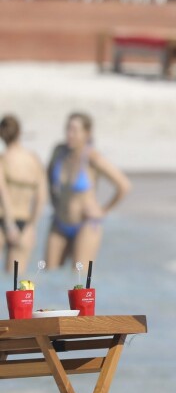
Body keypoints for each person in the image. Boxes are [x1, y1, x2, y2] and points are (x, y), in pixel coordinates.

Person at [46, 112, 132, 270]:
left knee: (78, 281)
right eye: (68, 129)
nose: (69, 134)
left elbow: (124, 185)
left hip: (85, 224)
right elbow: (48, 176)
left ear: (87, 133)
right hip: (59, 222)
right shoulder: (59, 152)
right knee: (48, 275)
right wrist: (54, 202)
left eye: (75, 130)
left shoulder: (92, 157)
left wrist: (104, 211)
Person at [0, 114, 48, 273]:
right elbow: (41, 197)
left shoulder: (3, 159)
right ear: (20, 133)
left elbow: (3, 193)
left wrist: (9, 224)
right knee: (16, 285)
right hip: (25, 223)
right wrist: (31, 226)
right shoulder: (34, 159)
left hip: (4, 221)